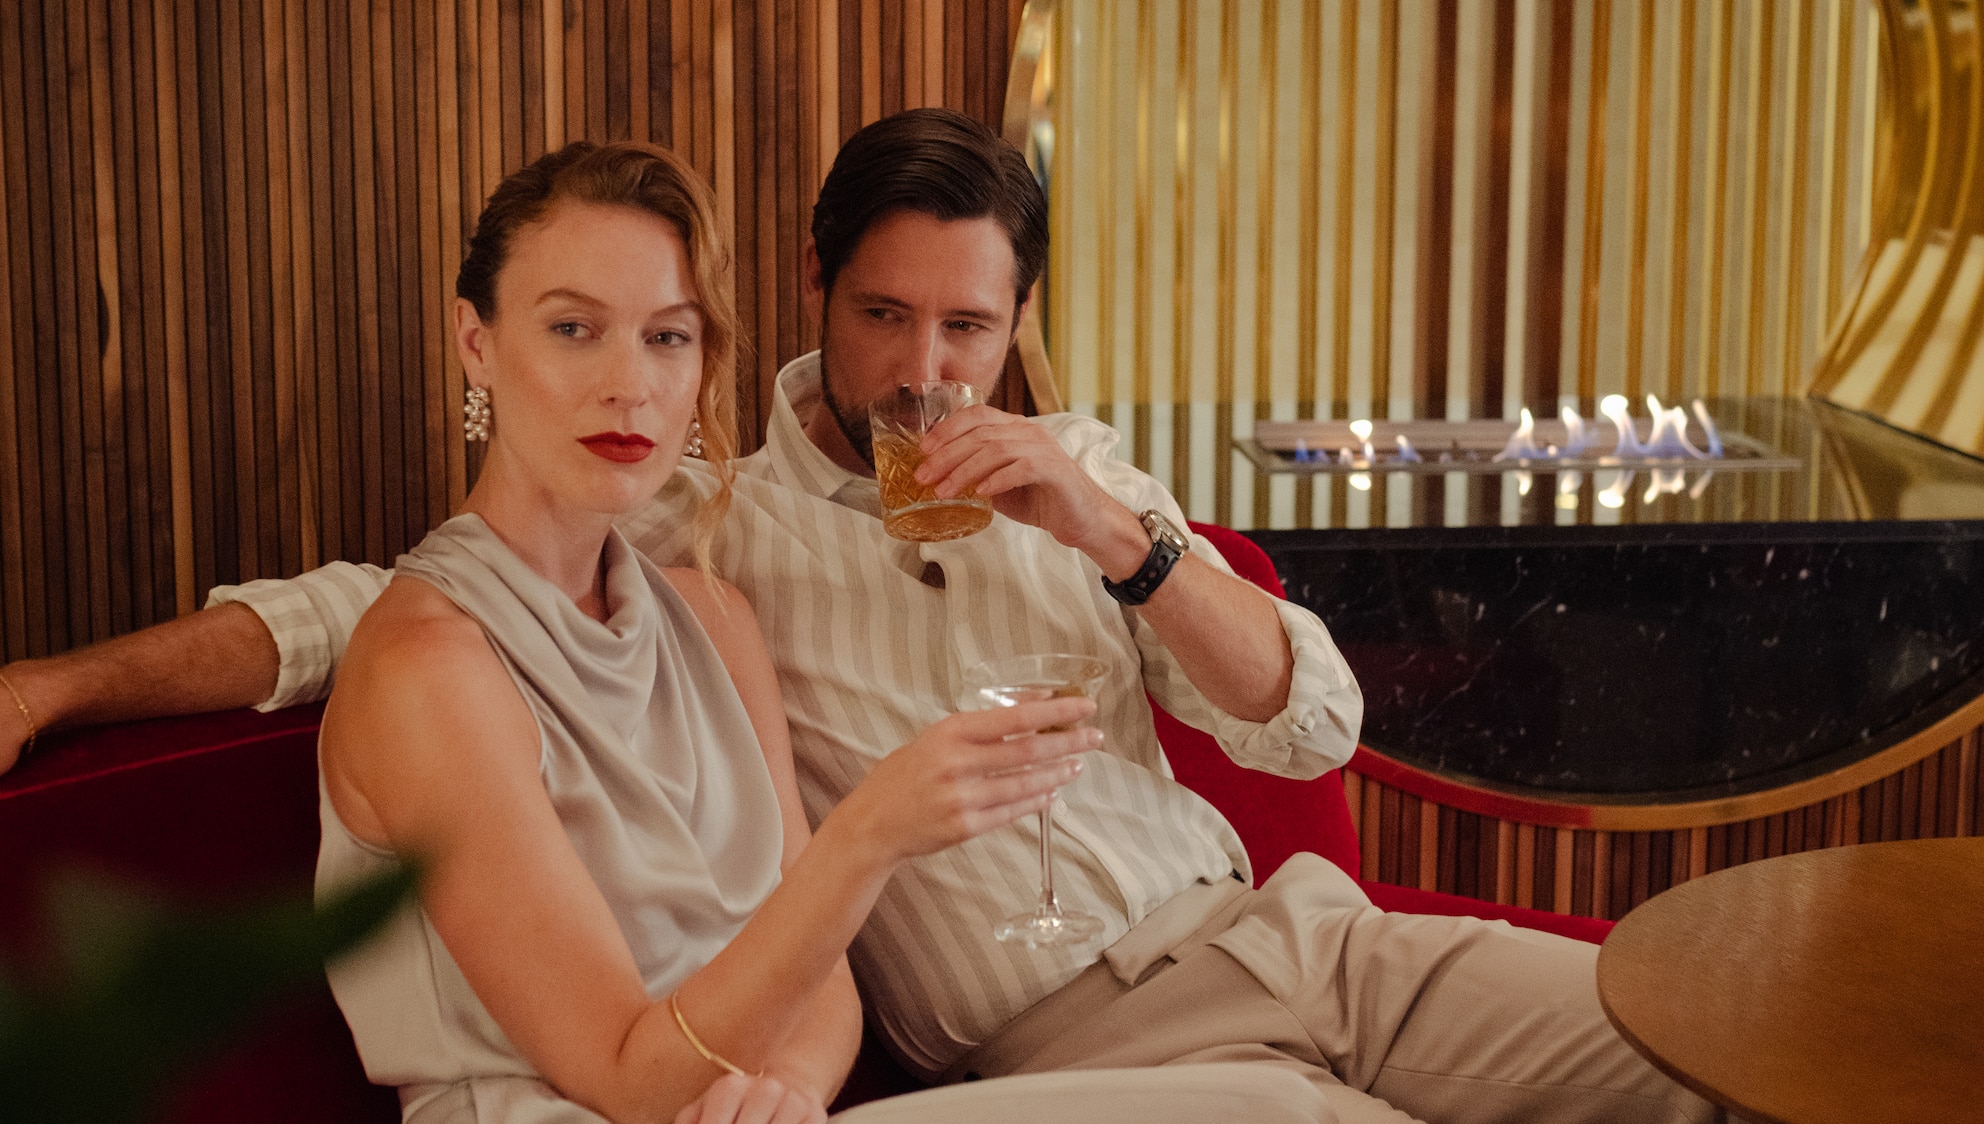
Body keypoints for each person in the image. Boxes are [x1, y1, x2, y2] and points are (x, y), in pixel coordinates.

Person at [0, 111, 1722, 1123]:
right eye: (884, 316)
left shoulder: (1076, 478)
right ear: (815, 295)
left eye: (967, 329)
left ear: (1018, 325)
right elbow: (381, 612)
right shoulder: (712, 525)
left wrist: (1112, 537)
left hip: (1290, 935)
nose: (923, 372)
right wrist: (61, 684)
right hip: (1056, 1030)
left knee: (1704, 1054)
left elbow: (1315, 725)